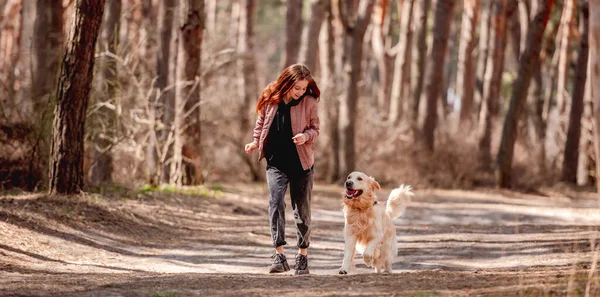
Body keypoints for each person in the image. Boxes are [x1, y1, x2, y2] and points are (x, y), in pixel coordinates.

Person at [244, 64, 320, 275]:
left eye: (304, 88)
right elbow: (261, 125)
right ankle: (279, 255)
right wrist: (255, 142)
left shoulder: (310, 103)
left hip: (302, 163)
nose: (301, 92)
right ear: (287, 83)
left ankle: (302, 256)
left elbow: (316, 129)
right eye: (297, 88)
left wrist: (306, 136)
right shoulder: (271, 99)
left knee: (301, 210)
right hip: (276, 163)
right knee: (275, 202)